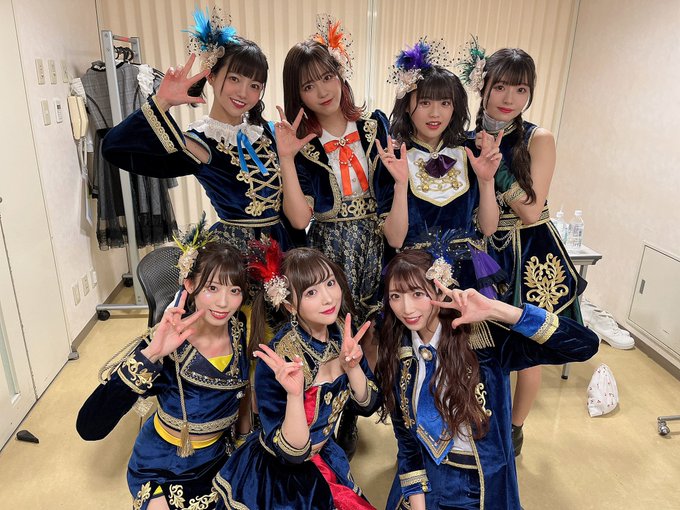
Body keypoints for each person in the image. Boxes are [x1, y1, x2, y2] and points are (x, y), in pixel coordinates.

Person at [375, 250, 599, 510]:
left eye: (417, 294)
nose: (407, 308)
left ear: (439, 290)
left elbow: (584, 346)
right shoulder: (398, 351)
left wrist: (499, 310)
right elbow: (407, 442)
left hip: (484, 486)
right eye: (396, 296)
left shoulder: (485, 341)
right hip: (425, 483)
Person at [274, 14, 400, 457]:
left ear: (340, 74)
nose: (323, 91)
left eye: (327, 77)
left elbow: (390, 193)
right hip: (329, 249)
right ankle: (339, 415)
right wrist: (287, 159)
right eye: (309, 86)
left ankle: (369, 405)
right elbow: (298, 218)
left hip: (374, 243)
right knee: (333, 332)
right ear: (298, 94)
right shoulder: (302, 142)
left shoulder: (374, 126)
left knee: (373, 332)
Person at [464, 42, 586, 455]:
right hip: (483, 247)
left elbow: (532, 210)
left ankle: (514, 430)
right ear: (483, 87)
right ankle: (480, 418)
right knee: (480, 342)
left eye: (521, 90)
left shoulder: (539, 138)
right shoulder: (466, 137)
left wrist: (495, 170)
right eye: (500, 87)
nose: (510, 99)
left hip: (529, 249)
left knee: (530, 344)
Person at [77, 234, 251, 510]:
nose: (223, 303)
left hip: (219, 458)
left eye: (234, 290)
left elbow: (243, 394)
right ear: (189, 285)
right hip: (166, 466)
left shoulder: (238, 327)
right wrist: (151, 354)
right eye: (212, 288)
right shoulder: (168, 346)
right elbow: (89, 427)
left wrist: (243, 442)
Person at [102, 7, 297, 252]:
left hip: (283, 245)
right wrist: (162, 102)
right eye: (234, 79)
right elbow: (113, 147)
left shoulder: (267, 132)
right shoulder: (199, 142)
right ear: (211, 76)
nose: (243, 93)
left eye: (254, 85)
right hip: (235, 254)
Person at [212, 245, 380, 510]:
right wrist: (293, 395)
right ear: (290, 306)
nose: (328, 298)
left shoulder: (341, 332)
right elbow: (292, 452)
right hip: (281, 479)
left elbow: (368, 405)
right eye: (311, 292)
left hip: (325, 457)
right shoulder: (278, 359)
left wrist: (353, 368)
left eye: (330, 283)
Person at [377, 38, 504, 298]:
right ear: (407, 105)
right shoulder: (394, 156)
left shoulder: (472, 151)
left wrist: (487, 181)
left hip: (469, 274)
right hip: (414, 278)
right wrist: (401, 184)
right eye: (425, 103)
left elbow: (489, 228)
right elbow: (395, 240)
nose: (435, 113)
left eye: (445, 103)